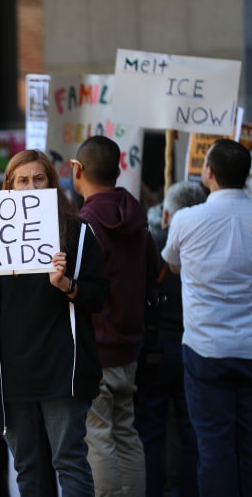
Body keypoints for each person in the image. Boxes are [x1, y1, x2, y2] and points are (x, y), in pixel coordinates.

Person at [0, 150, 108, 496]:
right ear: (8, 187)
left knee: (69, 461)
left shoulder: (77, 234)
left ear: (52, 184)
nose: (31, 186)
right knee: (29, 469)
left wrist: (66, 285)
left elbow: (99, 296)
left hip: (62, 370)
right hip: (10, 373)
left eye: (39, 179)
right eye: (22, 180)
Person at [161, 138, 252, 496]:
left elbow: (171, 263)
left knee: (212, 444)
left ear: (208, 173)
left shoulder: (186, 219)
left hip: (205, 349)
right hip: (248, 348)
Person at [71, 135, 156, 497]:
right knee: (126, 433)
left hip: (96, 349)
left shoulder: (86, 224)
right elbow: (154, 273)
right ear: (118, 170)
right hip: (129, 346)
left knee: (98, 438)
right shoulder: (137, 218)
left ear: (76, 170)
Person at [135, 181, 205, 497]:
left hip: (155, 351)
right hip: (197, 349)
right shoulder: (208, 245)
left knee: (150, 433)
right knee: (193, 433)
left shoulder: (151, 248)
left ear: (166, 216)